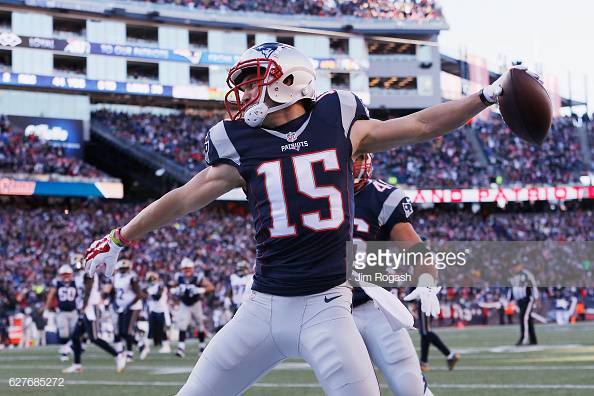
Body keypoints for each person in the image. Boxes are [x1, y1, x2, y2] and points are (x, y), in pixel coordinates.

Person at [84, 42, 532, 395]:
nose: (243, 93)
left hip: (327, 309)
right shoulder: (241, 143)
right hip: (261, 308)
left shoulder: (337, 120)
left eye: (253, 80)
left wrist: (484, 96)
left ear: (289, 82)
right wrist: (120, 237)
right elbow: (184, 197)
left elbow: (421, 124)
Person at [350, 153, 434, 395]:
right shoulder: (309, 194)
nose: (353, 163)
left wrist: (427, 280)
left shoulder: (382, 197)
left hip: (376, 305)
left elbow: (419, 252)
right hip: (331, 309)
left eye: (358, 156)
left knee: (411, 386)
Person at [171, 258, 214, 357]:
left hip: (195, 303)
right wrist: (176, 290)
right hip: (184, 303)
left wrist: (200, 290)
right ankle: (181, 348)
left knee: (199, 325)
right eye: (185, 268)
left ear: (192, 268)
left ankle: (202, 346)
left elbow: (211, 287)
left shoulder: (197, 277)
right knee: (182, 324)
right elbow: (171, 286)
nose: (187, 270)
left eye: (189, 268)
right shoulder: (178, 277)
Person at [104, 259, 144, 363]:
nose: (123, 270)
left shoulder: (132, 277)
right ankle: (138, 345)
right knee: (121, 331)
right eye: (121, 268)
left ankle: (130, 353)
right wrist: (114, 303)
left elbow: (139, 294)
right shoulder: (115, 278)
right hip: (120, 307)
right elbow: (114, 293)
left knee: (127, 331)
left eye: (125, 268)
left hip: (132, 307)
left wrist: (128, 305)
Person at [45, 264, 77, 362]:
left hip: (74, 311)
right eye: (64, 274)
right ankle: (64, 353)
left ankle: (69, 347)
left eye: (67, 274)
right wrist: (47, 308)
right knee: (64, 333)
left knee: (76, 332)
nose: (66, 276)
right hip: (62, 311)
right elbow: (51, 295)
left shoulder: (76, 282)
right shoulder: (57, 283)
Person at [142, 271, 171, 358]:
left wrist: (148, 292)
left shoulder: (160, 286)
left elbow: (157, 297)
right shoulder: (150, 287)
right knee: (151, 329)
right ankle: (146, 347)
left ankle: (166, 346)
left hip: (161, 310)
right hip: (153, 310)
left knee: (162, 329)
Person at [509, 265, 539, 345]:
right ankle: (533, 340)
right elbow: (513, 288)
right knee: (527, 319)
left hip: (527, 299)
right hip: (520, 300)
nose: (514, 268)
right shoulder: (513, 276)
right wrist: (512, 298)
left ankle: (524, 339)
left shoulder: (526, 274)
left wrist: (536, 297)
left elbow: (533, 285)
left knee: (524, 318)